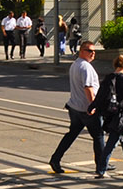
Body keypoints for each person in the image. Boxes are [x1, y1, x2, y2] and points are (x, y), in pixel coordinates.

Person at [49, 40, 103, 174]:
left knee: (72, 134)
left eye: (94, 51)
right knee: (98, 136)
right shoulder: (86, 67)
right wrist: (93, 106)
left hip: (74, 107)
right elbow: (88, 88)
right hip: (86, 109)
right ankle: (101, 164)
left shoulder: (75, 64)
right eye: (90, 51)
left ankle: (55, 159)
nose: (93, 53)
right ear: (82, 51)